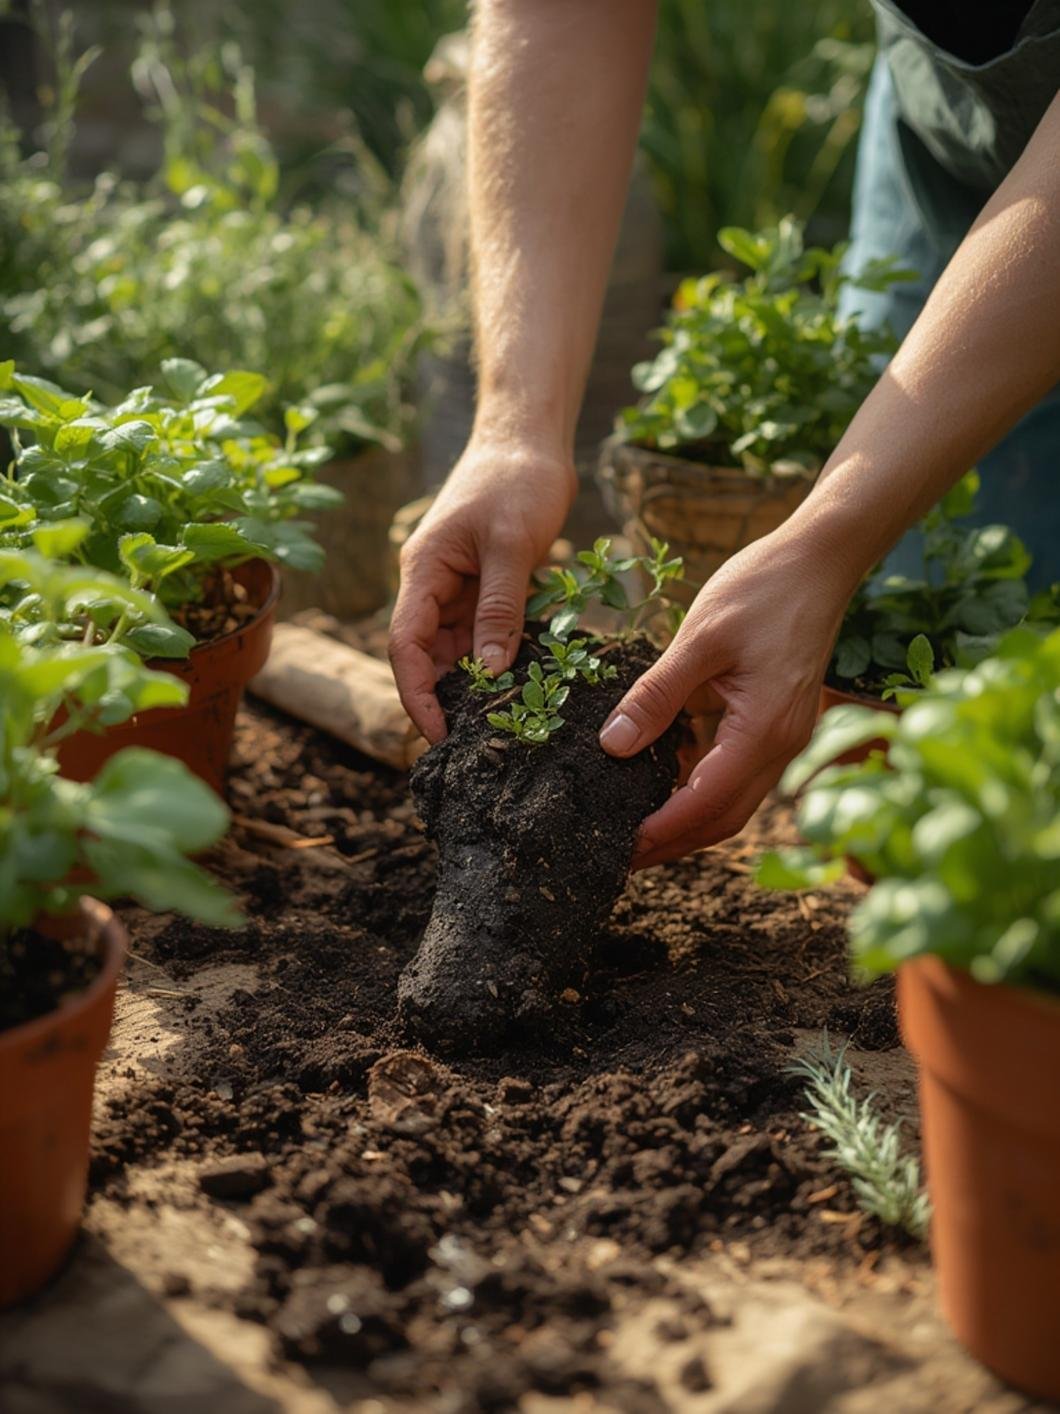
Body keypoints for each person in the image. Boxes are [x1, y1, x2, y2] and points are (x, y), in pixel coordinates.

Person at [389, 0, 1060, 870]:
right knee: (903, 630)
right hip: (942, 106)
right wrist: (515, 432)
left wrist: (825, 542)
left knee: (1018, 725)